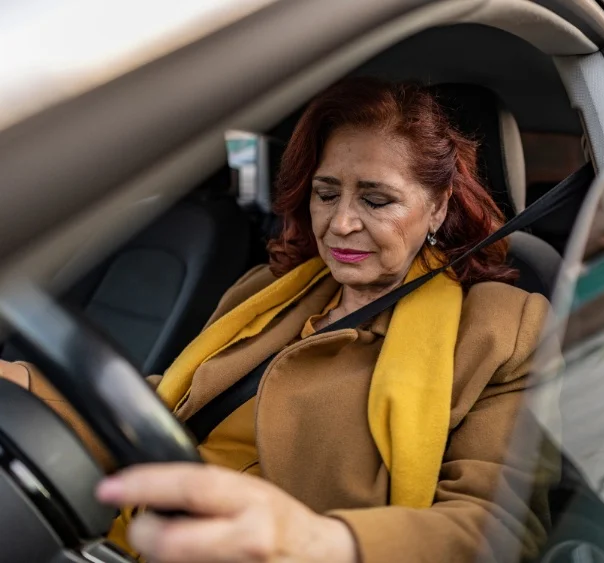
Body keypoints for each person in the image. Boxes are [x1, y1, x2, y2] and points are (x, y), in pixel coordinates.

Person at [0, 78, 557, 563]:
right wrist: (24, 384)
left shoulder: (502, 331)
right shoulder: (272, 289)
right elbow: (169, 409)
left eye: (377, 200)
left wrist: (318, 542)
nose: (340, 224)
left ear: (437, 207)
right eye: (326, 193)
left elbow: (500, 527)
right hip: (128, 537)